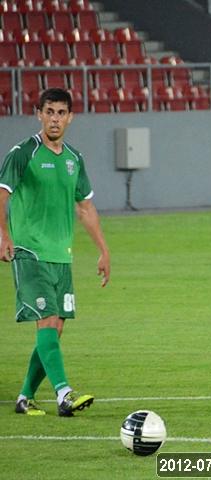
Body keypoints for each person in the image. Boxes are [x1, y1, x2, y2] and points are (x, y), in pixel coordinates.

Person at [0, 88, 111, 416]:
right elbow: (1, 195)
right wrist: (2, 234)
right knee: (48, 322)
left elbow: (86, 208)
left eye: (61, 113)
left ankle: (24, 397)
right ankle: (63, 393)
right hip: (29, 252)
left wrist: (104, 250)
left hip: (61, 256)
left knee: (55, 328)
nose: (55, 119)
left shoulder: (74, 159)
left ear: (70, 117)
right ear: (39, 114)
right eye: (49, 112)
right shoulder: (24, 153)